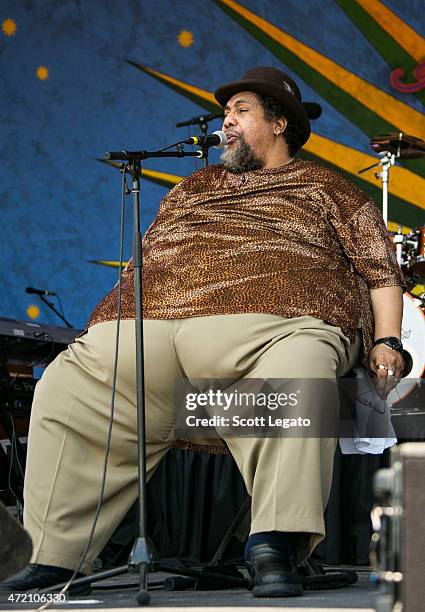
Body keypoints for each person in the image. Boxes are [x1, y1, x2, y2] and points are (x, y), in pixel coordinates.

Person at [0, 66, 405, 598]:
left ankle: (272, 543)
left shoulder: (326, 185)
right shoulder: (192, 188)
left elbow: (380, 270)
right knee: (68, 382)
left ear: (280, 123)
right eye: (225, 114)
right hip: (151, 330)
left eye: (240, 111)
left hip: (270, 329)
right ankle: (55, 555)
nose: (226, 122)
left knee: (298, 367)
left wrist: (387, 339)